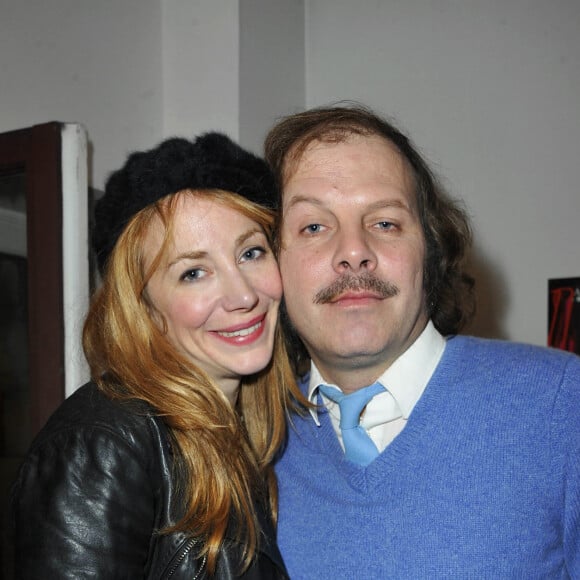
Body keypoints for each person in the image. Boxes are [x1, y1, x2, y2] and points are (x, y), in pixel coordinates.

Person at [264, 104, 580, 578]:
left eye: (385, 223)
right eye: (314, 226)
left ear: (430, 253)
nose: (354, 252)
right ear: (271, 265)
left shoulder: (561, 405)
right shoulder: (254, 444)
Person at [11, 132, 306, 578]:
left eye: (251, 252)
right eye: (193, 272)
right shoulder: (102, 446)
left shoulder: (248, 431)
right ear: (142, 306)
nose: (243, 294)